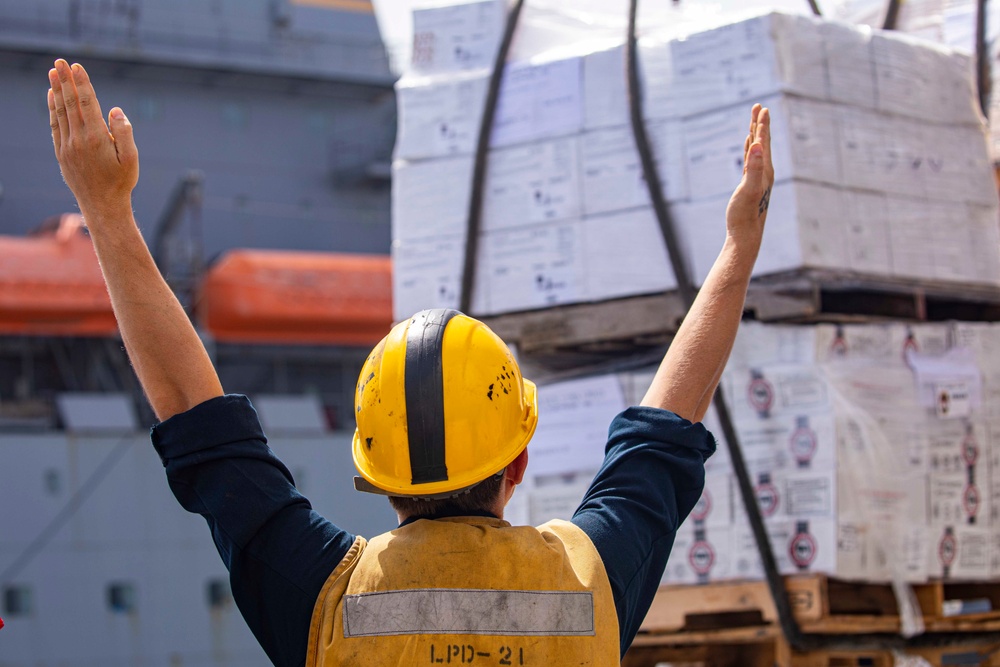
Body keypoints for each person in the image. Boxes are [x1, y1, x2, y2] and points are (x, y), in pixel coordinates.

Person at [47, 58, 773, 666]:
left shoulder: (324, 600)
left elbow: (199, 421)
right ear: (517, 461)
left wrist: (106, 213)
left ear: (373, 474)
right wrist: (740, 244)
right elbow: (664, 429)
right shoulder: (589, 583)